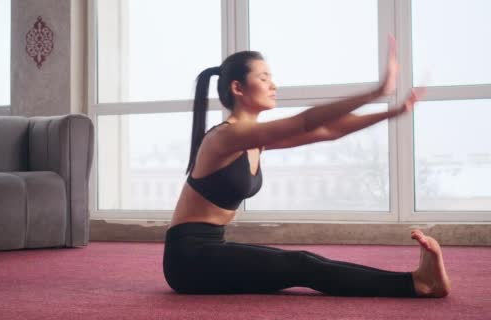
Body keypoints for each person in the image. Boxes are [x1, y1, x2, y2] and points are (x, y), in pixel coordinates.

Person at [163, 38, 451, 298]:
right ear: (237, 88)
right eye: (264, 77)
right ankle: (417, 284)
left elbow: (328, 131)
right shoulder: (225, 137)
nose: (273, 85)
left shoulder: (254, 140)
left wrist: (393, 110)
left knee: (304, 261)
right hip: (189, 260)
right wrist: (375, 92)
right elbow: (305, 121)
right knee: (301, 264)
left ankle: (416, 281)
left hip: (211, 249)